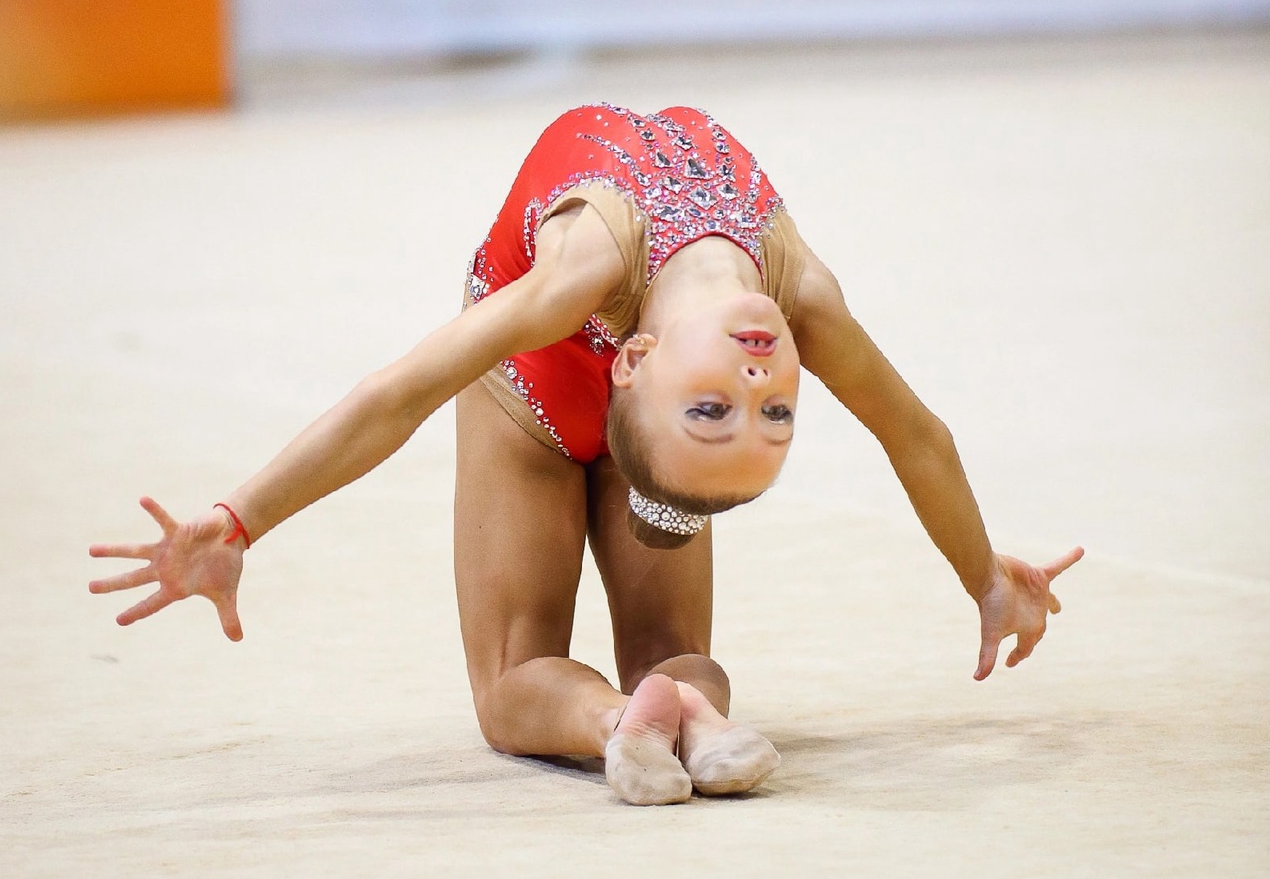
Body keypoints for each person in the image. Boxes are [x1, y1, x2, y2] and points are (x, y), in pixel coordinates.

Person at [89, 104, 1083, 806]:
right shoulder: (782, 298)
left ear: (639, 362)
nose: (754, 387)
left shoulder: (628, 293)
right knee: (616, 657)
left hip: (563, 420)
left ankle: (626, 722)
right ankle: (678, 714)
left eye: (729, 411)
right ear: (633, 358)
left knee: (519, 675)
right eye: (766, 413)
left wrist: (981, 575)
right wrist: (981, 577)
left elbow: (401, 390)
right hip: (536, 398)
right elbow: (915, 431)